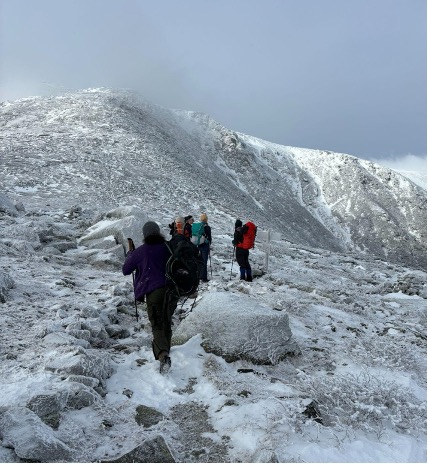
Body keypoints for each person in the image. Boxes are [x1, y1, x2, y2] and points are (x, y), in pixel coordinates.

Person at [122, 221, 178, 373]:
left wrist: (130, 254)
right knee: (166, 319)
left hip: (154, 291)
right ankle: (166, 348)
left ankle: (163, 355)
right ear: (158, 232)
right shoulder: (168, 247)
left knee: (157, 323)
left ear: (145, 234)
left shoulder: (141, 251)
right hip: (173, 291)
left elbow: (126, 270)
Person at [197, 213, 212, 282]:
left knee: (200, 261)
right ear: (206, 219)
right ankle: (204, 278)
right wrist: (209, 242)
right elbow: (209, 238)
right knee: (204, 262)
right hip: (205, 246)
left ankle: (199, 276)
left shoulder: (199, 226)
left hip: (199, 245)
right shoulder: (207, 227)